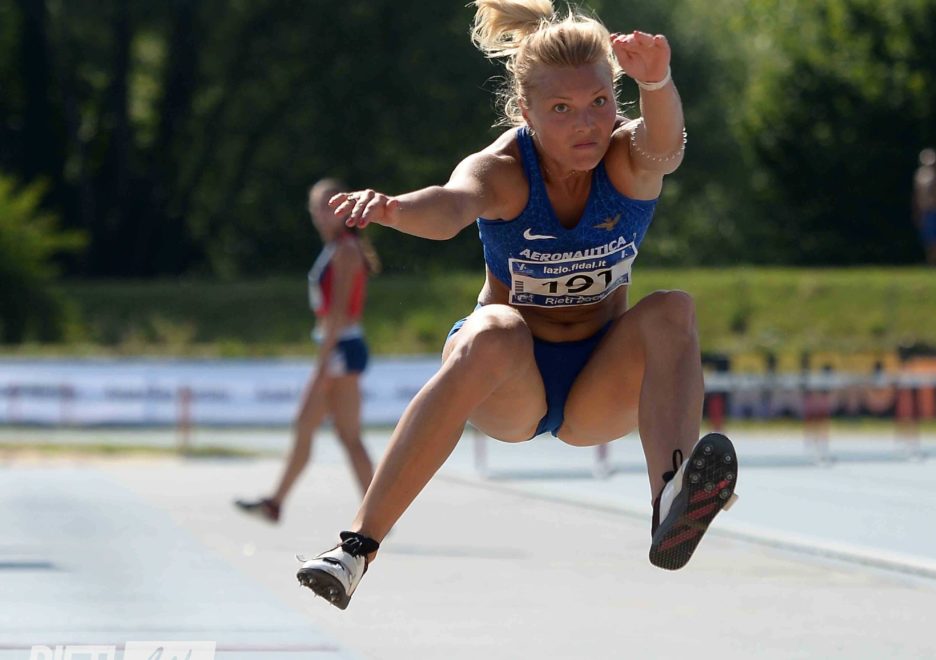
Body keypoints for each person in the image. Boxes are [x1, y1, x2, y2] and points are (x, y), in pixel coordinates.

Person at [295, 0, 739, 611]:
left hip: (597, 385)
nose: (586, 125)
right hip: (509, 383)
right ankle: (355, 549)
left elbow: (667, 149)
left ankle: (672, 496)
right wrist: (393, 209)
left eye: (599, 102)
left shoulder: (626, 160)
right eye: (562, 110)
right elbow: (451, 207)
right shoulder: (504, 170)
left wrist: (657, 81)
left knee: (673, 310)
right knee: (495, 329)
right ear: (526, 112)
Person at [234, 178, 379, 524]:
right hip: (337, 347)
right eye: (316, 207)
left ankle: (378, 512)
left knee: (332, 432)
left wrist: (322, 362)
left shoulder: (346, 250)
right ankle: (276, 502)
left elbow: (339, 313)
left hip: (340, 348)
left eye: (328, 206)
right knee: (330, 432)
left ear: (343, 210)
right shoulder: (336, 248)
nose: (321, 213)